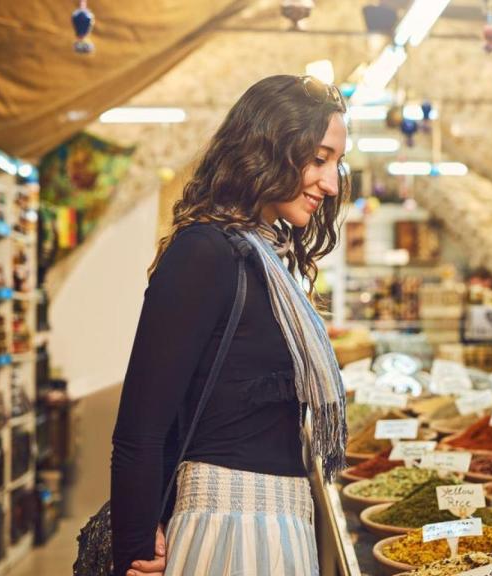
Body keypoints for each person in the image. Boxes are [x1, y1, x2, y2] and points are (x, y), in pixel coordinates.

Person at [111, 75, 349, 576]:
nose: (330, 184)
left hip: (279, 521)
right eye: (319, 158)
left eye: (337, 163)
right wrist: (136, 548)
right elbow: (140, 427)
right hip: (227, 529)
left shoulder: (266, 256)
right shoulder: (205, 251)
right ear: (269, 147)